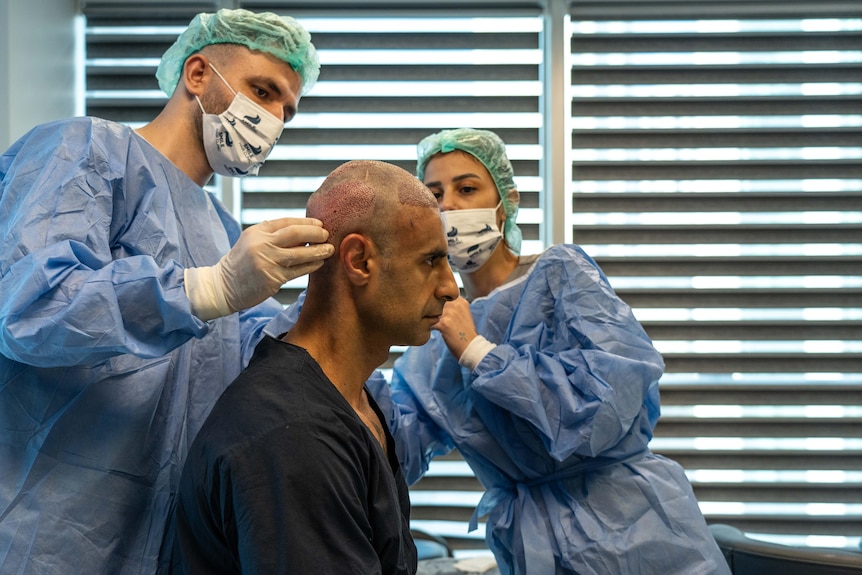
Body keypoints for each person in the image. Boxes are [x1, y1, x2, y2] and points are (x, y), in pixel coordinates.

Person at [0, 9, 334, 574]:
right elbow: (32, 309)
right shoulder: (83, 152)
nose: (274, 119)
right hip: (42, 532)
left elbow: (269, 355)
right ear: (198, 74)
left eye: (287, 110)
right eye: (263, 90)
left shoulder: (225, 236)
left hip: (160, 545)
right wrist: (209, 287)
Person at [366, 128, 732, 574]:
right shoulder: (437, 338)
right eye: (434, 195)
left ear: (507, 201)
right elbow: (391, 448)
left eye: (466, 189)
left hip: (634, 533)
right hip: (529, 546)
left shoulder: (560, 277)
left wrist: (480, 352)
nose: (448, 207)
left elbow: (605, 407)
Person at [164, 160, 460, 575]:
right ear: (358, 260)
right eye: (431, 261)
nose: (450, 286)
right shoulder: (293, 435)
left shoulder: (351, 399)